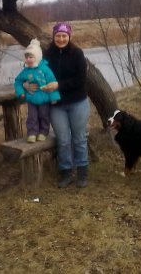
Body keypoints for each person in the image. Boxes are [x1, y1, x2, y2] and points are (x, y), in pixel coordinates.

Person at [32, 23, 91, 188]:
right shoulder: (47, 55)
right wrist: (31, 84)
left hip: (78, 102)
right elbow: (38, 74)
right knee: (63, 140)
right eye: (58, 35)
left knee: (79, 138)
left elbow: (81, 80)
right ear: (54, 36)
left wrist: (58, 85)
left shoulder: (77, 54)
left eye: (64, 35)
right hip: (56, 105)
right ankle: (66, 172)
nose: (61, 39)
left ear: (69, 36)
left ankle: (82, 172)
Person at [14, 39, 61, 143]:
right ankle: (32, 132)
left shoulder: (45, 69)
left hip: (44, 98)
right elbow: (18, 81)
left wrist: (54, 97)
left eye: (31, 57)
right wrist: (21, 92)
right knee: (32, 116)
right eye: (27, 57)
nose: (29, 60)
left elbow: (52, 82)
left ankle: (43, 132)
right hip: (31, 98)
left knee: (44, 115)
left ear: (38, 57)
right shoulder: (26, 71)